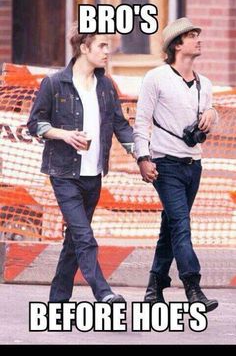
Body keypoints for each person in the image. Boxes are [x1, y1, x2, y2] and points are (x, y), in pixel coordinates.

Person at [27, 22, 134, 304]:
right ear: (84, 48)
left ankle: (57, 302)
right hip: (63, 173)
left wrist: (141, 152)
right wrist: (63, 134)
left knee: (75, 240)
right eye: (101, 45)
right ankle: (105, 293)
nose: (107, 51)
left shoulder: (106, 85)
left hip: (93, 174)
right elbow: (34, 124)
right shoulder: (54, 83)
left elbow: (120, 124)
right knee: (84, 236)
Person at [133, 17, 219, 312]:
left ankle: (154, 286)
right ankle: (193, 288)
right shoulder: (156, 77)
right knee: (182, 225)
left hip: (193, 165)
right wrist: (142, 158)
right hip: (164, 164)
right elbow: (142, 121)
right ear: (177, 44)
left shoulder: (203, 83)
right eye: (192, 36)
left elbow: (211, 113)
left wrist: (211, 115)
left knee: (170, 226)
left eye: (198, 34)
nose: (199, 39)